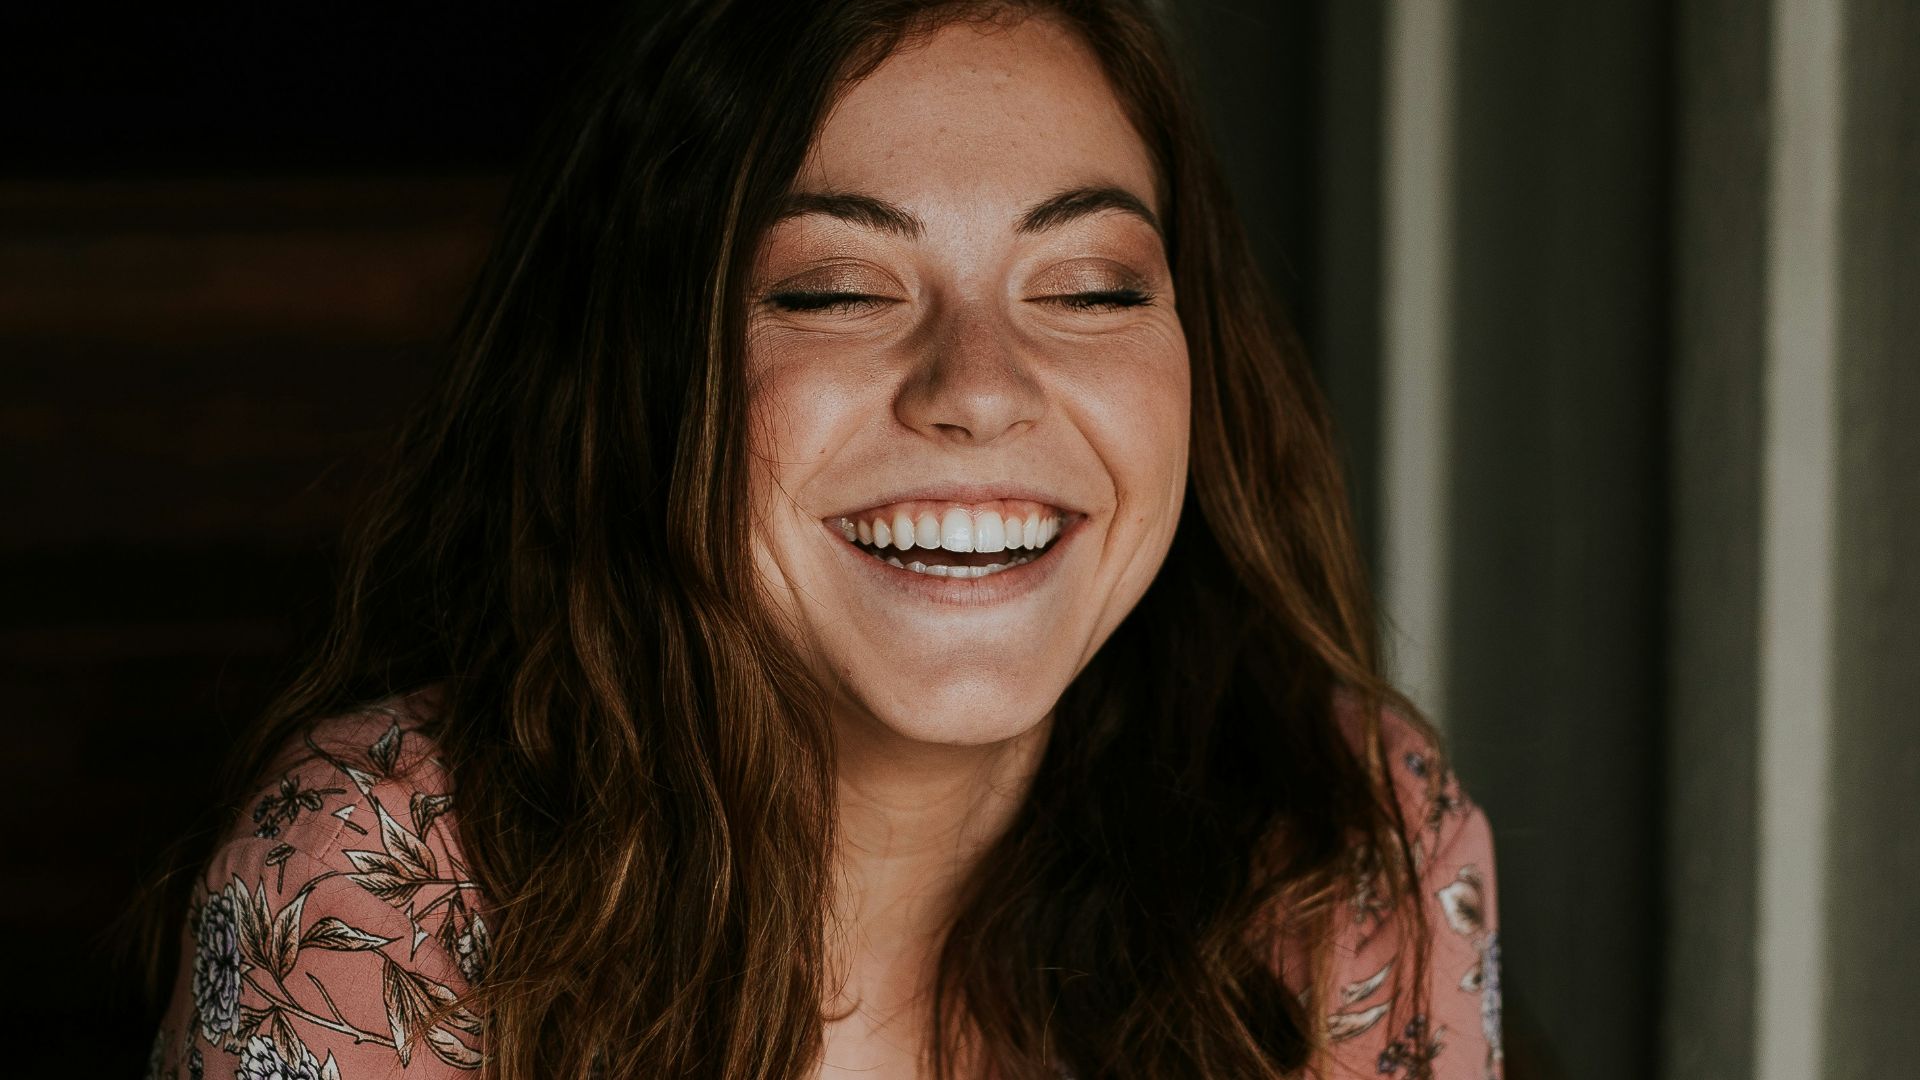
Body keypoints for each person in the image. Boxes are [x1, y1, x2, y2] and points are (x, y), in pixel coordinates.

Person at [140, 1, 1502, 1077]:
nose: (979, 385)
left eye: (1088, 288)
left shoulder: (1339, 849)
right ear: (645, 376)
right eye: (837, 291)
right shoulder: (384, 890)